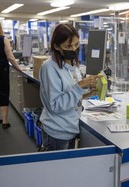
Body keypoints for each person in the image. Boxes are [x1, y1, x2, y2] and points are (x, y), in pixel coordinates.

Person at [38, 23, 101, 151]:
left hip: (71, 127)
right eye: (68, 46)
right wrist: (80, 85)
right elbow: (55, 105)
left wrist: (87, 94)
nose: (73, 49)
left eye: (76, 44)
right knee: (57, 170)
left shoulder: (73, 65)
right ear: (57, 46)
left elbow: (71, 97)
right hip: (57, 131)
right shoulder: (49, 67)